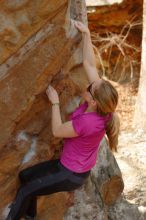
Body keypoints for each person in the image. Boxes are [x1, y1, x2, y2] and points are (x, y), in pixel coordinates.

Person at [6, 21, 120, 220]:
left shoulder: (89, 122)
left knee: (26, 191)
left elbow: (57, 131)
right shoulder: (103, 107)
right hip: (67, 166)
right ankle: (29, 216)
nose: (90, 83)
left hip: (70, 175)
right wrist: (86, 34)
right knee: (25, 178)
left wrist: (55, 102)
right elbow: (90, 64)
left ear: (93, 101)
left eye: (91, 86)